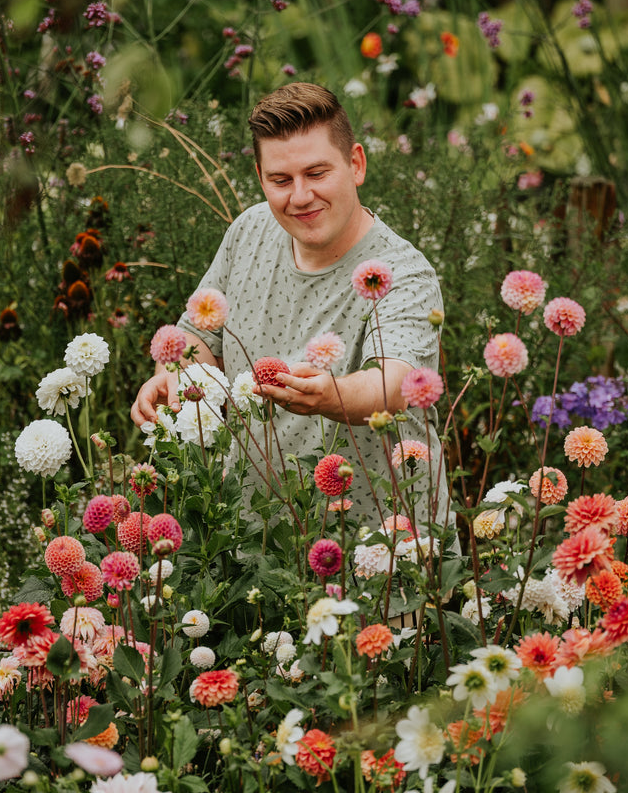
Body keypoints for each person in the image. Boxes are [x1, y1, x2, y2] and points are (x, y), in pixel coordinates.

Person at [130, 82, 450, 534]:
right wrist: (174, 378)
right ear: (261, 177)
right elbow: (201, 339)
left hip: (383, 550)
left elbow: (395, 385)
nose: (300, 196)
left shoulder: (401, 272)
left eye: (317, 173)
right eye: (281, 180)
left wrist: (329, 396)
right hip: (256, 541)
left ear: (355, 164)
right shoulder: (248, 232)